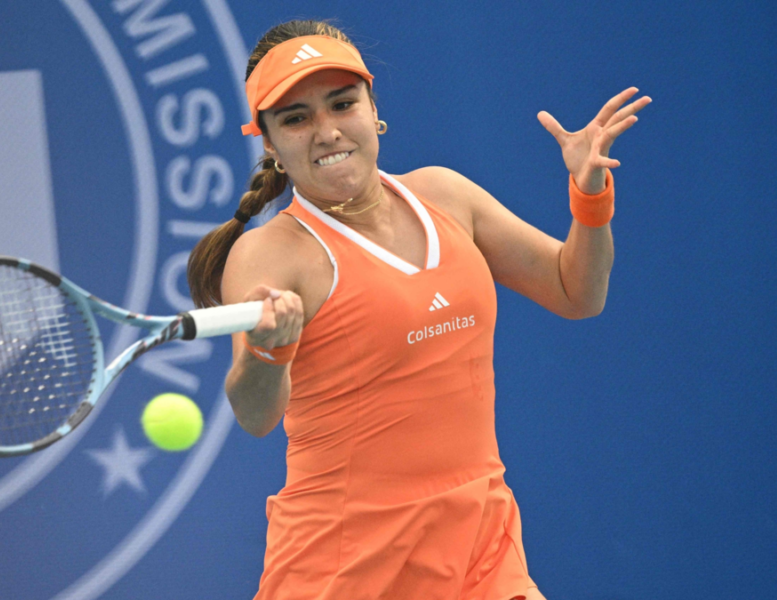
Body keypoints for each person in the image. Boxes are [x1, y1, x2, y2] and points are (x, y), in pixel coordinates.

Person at [187, 19, 650, 600]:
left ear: (372, 108)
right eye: (297, 118)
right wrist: (267, 348)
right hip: (345, 566)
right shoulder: (269, 254)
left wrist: (589, 199)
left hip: (482, 549)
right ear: (271, 144)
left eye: (341, 103)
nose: (327, 131)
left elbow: (575, 291)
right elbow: (256, 414)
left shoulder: (445, 194)